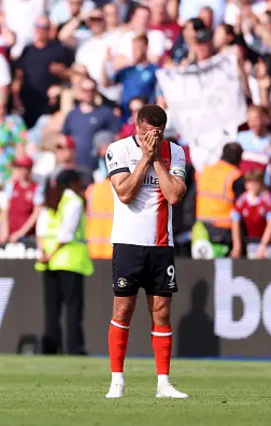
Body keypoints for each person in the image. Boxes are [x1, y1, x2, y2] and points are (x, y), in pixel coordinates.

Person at [104, 104, 188, 399]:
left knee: (162, 312)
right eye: (145, 133)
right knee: (123, 310)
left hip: (161, 244)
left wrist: (156, 161)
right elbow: (125, 193)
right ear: (136, 126)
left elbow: (175, 195)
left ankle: (163, 383)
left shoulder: (175, 152)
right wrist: (145, 158)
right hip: (128, 242)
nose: (150, 139)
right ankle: (117, 381)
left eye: (157, 134)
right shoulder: (117, 149)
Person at [34, 168, 93, 355]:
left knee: (52, 309)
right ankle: (74, 348)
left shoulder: (50, 201)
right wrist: (52, 254)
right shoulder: (74, 201)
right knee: (73, 308)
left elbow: (41, 231)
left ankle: (52, 348)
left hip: (47, 262)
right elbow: (67, 233)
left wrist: (43, 253)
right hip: (69, 260)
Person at [196, 142, 244, 249]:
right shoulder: (235, 175)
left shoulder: (204, 170)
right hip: (224, 229)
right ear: (239, 158)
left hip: (201, 226)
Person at [230, 168, 271, 259]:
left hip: (266, 242)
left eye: (256, 182)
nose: (253, 186)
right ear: (246, 185)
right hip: (251, 241)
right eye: (250, 182)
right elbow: (235, 222)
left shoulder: (266, 198)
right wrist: (237, 245)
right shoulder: (242, 200)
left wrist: (263, 245)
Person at [0, 156, 41, 244]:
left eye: (25, 168)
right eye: (20, 168)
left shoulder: (37, 188)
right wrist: (4, 230)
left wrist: (21, 233)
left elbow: (36, 213)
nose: (22, 171)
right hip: (10, 234)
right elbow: (5, 209)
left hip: (28, 237)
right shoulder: (11, 186)